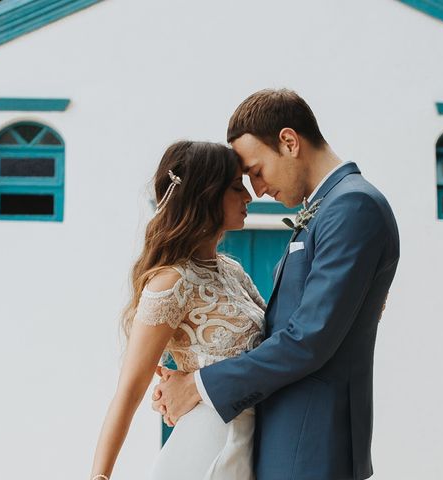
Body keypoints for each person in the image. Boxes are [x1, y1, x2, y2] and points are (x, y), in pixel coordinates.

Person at [152, 89, 400, 480]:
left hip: (309, 440)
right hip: (286, 438)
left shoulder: (353, 207)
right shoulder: (330, 208)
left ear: (288, 141)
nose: (256, 189)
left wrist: (198, 385)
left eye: (255, 170)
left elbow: (308, 339)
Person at [89, 140, 264, 480]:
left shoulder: (231, 271)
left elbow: (278, 346)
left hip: (250, 446)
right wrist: (100, 476)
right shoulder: (171, 284)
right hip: (206, 450)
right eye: (234, 187)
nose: (248, 197)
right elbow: (128, 391)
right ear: (205, 195)